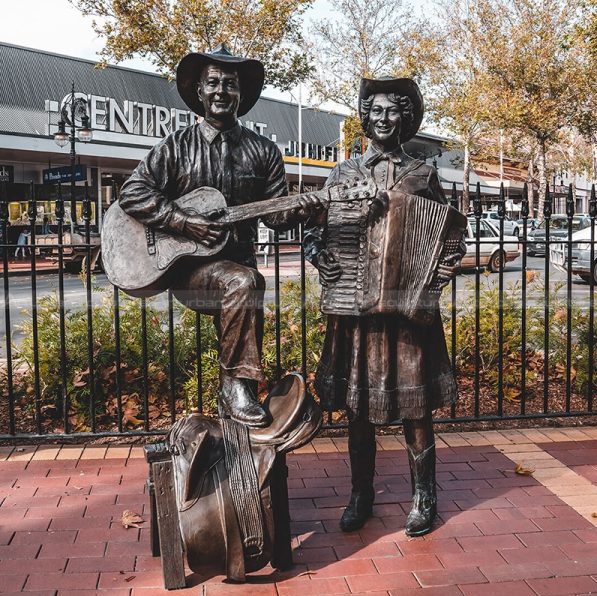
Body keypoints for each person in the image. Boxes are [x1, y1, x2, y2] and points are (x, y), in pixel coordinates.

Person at [119, 44, 318, 428]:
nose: (221, 91)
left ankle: (238, 394)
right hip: (187, 269)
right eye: (213, 83)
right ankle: (235, 386)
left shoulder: (263, 151)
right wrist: (181, 221)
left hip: (237, 265)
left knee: (244, 281)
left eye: (230, 84)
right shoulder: (176, 146)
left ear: (242, 94)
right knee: (244, 282)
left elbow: (277, 216)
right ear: (199, 92)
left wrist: (311, 206)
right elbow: (133, 193)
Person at [303, 76, 464, 536]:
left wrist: (432, 281)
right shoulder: (344, 173)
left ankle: (424, 495)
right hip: (355, 310)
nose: (383, 119)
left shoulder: (423, 174)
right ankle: (361, 493)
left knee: (417, 408)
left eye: (394, 111)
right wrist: (321, 258)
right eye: (375, 111)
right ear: (364, 118)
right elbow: (315, 229)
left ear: (407, 119)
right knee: (359, 407)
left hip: (407, 313)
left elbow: (450, 236)